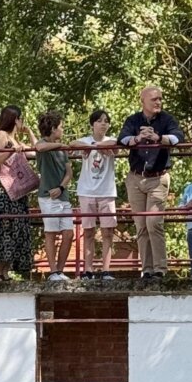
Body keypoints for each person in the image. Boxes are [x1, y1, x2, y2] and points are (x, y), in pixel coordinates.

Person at [118, 85, 185, 279]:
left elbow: (178, 137)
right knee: (141, 225)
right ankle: (146, 270)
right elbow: (122, 139)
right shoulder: (133, 120)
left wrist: (159, 138)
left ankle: (160, 269)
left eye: (160, 99)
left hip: (157, 178)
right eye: (154, 99)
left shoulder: (167, 119)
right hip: (136, 178)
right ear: (143, 101)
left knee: (154, 222)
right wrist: (138, 138)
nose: (158, 102)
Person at [0, 105, 37, 281]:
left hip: (16, 191)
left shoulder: (15, 140)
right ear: (16, 119)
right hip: (2, 190)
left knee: (17, 228)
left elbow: (36, 150)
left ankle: (5, 270)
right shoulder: (1, 135)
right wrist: (11, 150)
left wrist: (29, 133)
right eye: (22, 119)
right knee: (4, 227)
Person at [71, 109, 119, 279]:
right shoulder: (85, 140)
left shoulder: (111, 140)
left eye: (106, 121)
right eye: (99, 121)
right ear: (92, 124)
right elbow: (72, 144)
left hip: (107, 191)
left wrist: (96, 147)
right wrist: (90, 146)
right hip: (87, 191)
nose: (103, 124)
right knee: (89, 232)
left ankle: (106, 270)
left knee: (108, 232)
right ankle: (88, 270)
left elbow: (116, 145)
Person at [34, 111, 74, 281]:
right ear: (53, 129)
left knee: (69, 233)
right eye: (61, 127)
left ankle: (60, 270)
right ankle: (53, 272)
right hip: (47, 196)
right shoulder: (44, 144)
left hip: (62, 195)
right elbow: (39, 147)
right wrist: (61, 145)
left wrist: (61, 187)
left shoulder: (62, 150)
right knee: (50, 233)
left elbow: (69, 172)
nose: (63, 130)